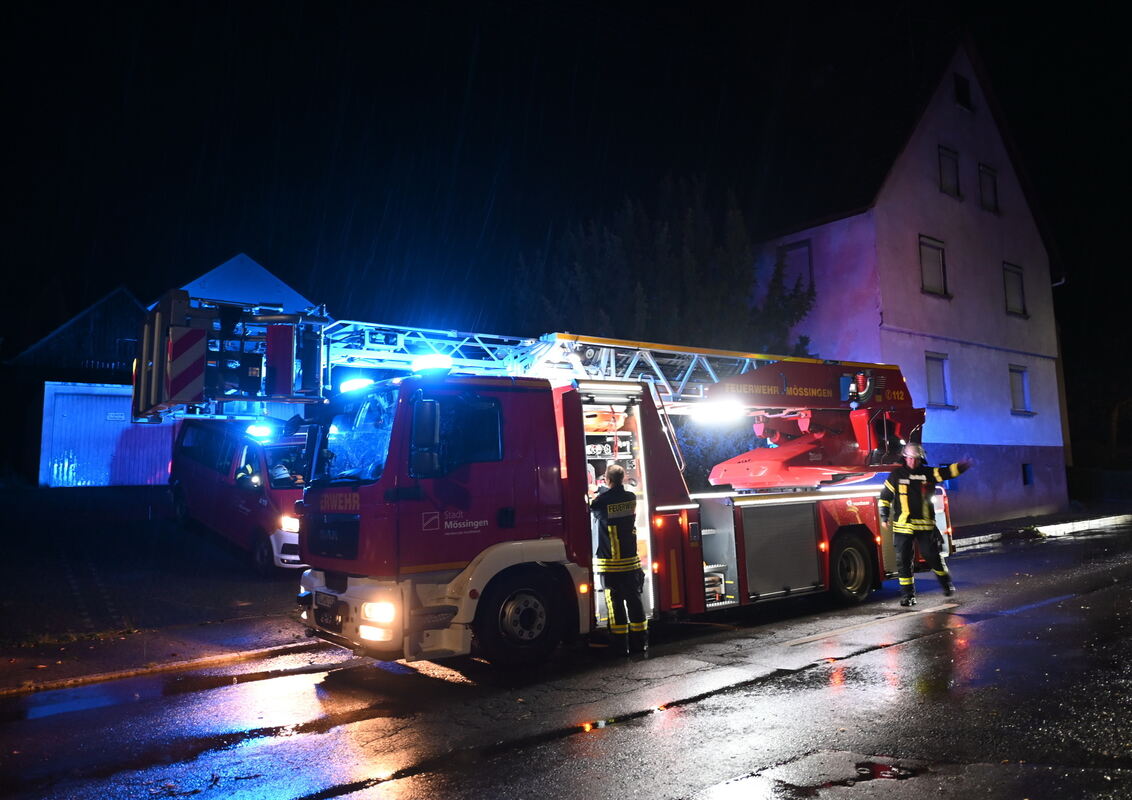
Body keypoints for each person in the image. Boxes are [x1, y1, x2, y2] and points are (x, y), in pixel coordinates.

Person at [879, 443, 971, 606]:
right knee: (903, 562)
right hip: (903, 526)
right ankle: (908, 596)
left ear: (921, 459)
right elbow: (885, 497)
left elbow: (946, 472)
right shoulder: (896, 475)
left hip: (925, 527)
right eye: (910, 458)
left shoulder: (929, 473)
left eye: (916, 459)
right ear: (905, 458)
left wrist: (962, 466)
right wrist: (884, 516)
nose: (912, 462)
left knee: (932, 557)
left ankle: (946, 583)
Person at [590, 463, 648, 653]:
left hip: (611, 564)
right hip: (631, 562)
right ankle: (640, 643)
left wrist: (599, 491)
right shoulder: (631, 498)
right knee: (634, 601)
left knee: (615, 604)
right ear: (622, 478)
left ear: (607, 480)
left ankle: (620, 646)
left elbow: (593, 508)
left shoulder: (602, 501)